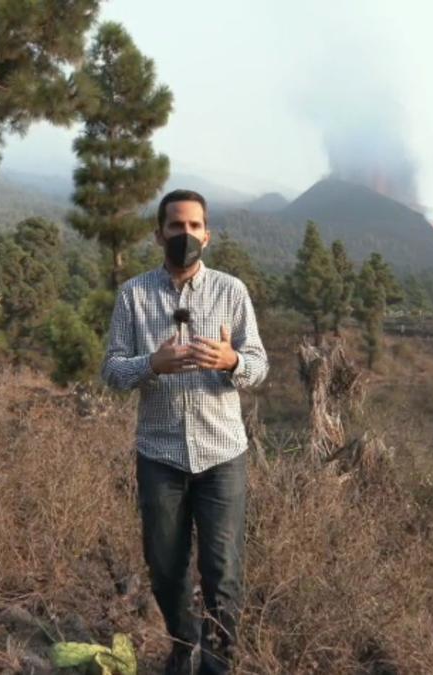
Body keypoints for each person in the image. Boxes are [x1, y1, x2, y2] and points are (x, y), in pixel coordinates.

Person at [101, 189, 268, 675]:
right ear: (159, 234)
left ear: (207, 236)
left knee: (223, 569)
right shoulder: (134, 295)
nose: (186, 235)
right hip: (161, 455)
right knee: (166, 566)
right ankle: (183, 645)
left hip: (222, 455)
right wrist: (151, 364)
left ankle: (219, 660)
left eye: (195, 227)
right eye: (176, 226)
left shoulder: (231, 292)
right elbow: (111, 370)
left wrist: (231, 360)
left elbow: (259, 365)